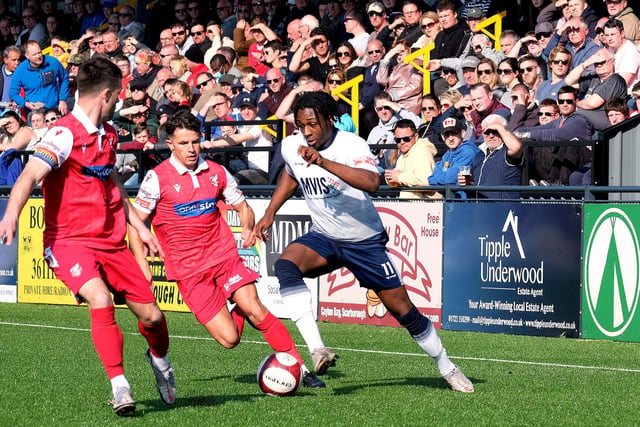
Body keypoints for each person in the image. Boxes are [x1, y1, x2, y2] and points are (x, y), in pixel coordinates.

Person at [254, 91, 474, 392]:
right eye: (300, 125)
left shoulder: (350, 145)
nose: (306, 132)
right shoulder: (293, 145)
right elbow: (291, 175)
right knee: (286, 265)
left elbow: (373, 183)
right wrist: (269, 213)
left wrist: (323, 162)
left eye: (312, 125)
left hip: (364, 242)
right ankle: (317, 348)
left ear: (329, 120)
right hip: (325, 236)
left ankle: (447, 367)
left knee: (404, 312)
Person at [0, 56, 175, 416]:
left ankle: (160, 362)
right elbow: (30, 175)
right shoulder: (63, 134)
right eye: (119, 98)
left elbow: (110, 181)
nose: (119, 104)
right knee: (100, 299)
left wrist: (139, 227)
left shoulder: (108, 134)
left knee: (154, 318)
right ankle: (120, 387)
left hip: (112, 241)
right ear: (107, 94)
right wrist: (11, 215)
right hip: (68, 241)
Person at [130, 110, 324, 389]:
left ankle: (301, 370)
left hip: (223, 256)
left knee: (256, 308)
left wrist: (247, 227)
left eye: (195, 142)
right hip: (189, 270)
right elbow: (135, 224)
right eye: (183, 143)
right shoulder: (156, 179)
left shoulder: (217, 172)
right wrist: (142, 264)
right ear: (170, 144)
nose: (191, 149)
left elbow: (243, 207)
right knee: (229, 339)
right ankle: (163, 349)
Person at [458, 114, 524, 199]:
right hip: (479, 208)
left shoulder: (506, 151)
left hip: (503, 208)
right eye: (487, 132)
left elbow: (517, 148)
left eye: (495, 131)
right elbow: (476, 184)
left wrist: (499, 127)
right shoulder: (479, 155)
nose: (491, 135)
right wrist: (467, 183)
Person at [383, 118, 438, 199]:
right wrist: (391, 178)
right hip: (410, 206)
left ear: (416, 137)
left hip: (425, 206)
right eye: (397, 140)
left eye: (406, 139)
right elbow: (398, 178)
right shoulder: (403, 155)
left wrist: (399, 177)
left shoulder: (421, 152)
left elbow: (426, 181)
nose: (402, 142)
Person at [10, 40, 68, 115]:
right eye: (34, 54)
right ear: (27, 56)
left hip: (54, 108)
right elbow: (13, 93)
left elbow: (64, 78)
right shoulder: (20, 70)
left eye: (39, 52)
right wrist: (25, 104)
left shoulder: (52, 62)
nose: (38, 56)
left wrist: (62, 100)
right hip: (34, 112)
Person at [429, 117, 481, 185]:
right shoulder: (448, 153)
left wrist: (438, 178)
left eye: (454, 133)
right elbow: (430, 179)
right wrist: (442, 178)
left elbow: (450, 179)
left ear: (462, 133)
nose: (450, 138)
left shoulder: (468, 152)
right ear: (442, 137)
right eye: (447, 135)